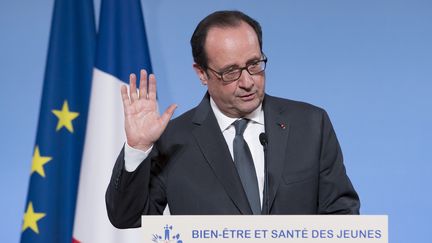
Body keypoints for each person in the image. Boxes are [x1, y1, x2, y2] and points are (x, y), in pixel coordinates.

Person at [106, 10, 360, 229]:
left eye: (254, 64)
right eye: (231, 72)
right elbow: (127, 217)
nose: (248, 81)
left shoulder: (311, 125)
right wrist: (138, 148)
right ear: (202, 73)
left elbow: (341, 214)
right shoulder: (173, 140)